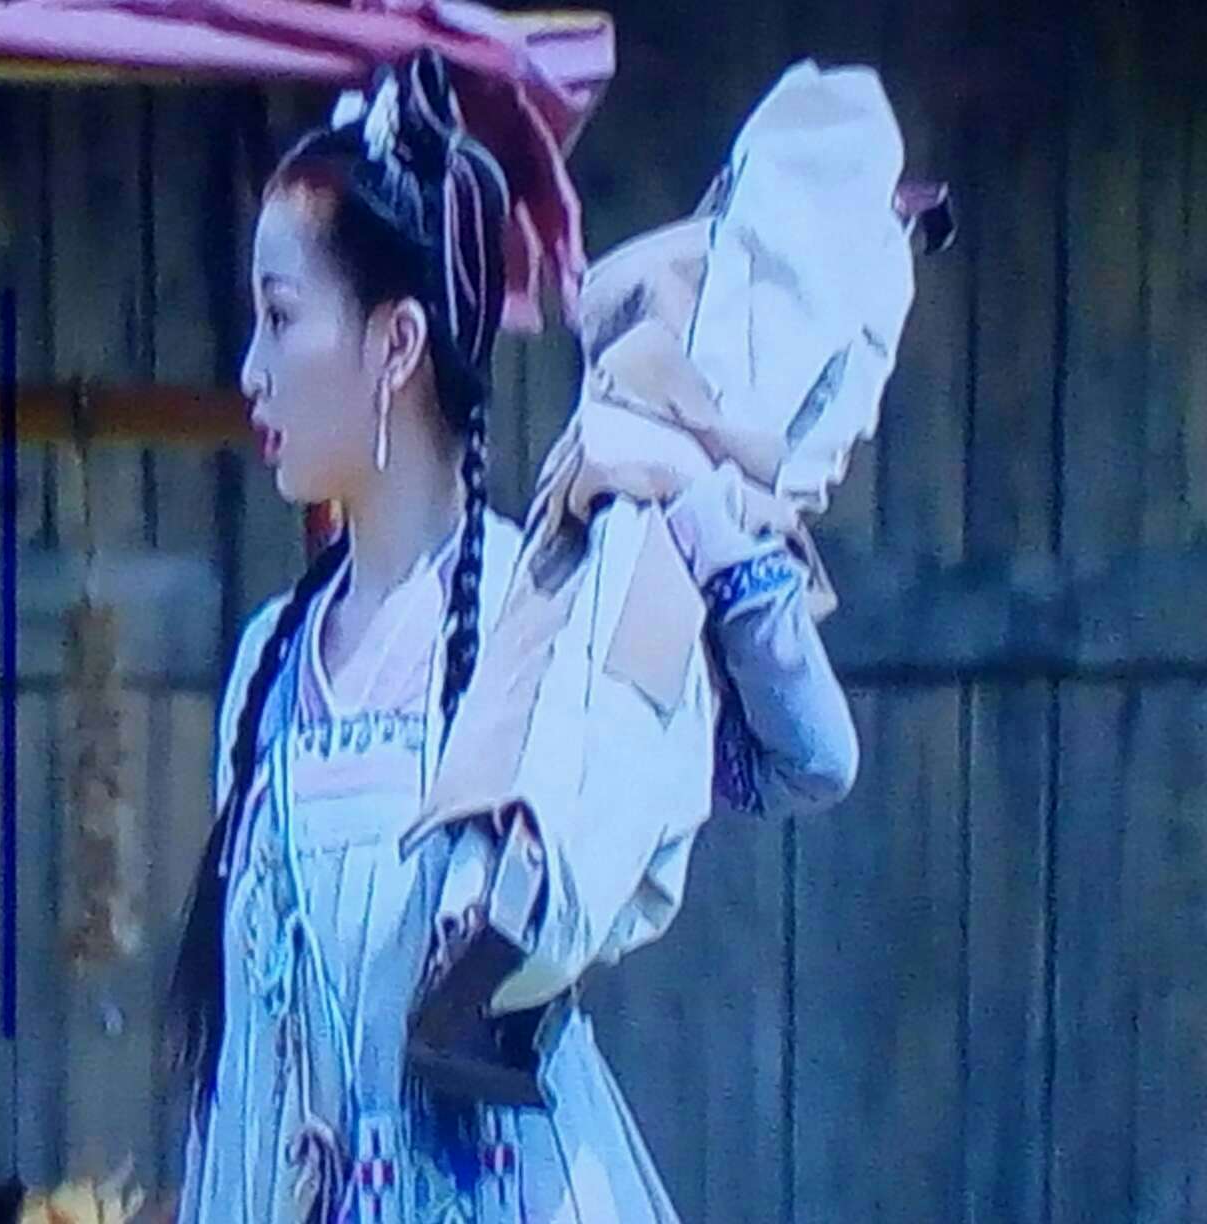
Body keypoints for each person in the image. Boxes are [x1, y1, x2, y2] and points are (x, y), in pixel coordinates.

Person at [168, 49, 857, 1224]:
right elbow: (245, 1067)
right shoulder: (268, 664)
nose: (250, 370)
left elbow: (808, 758)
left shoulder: (552, 604)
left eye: (280, 320)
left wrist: (694, 512)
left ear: (396, 344)